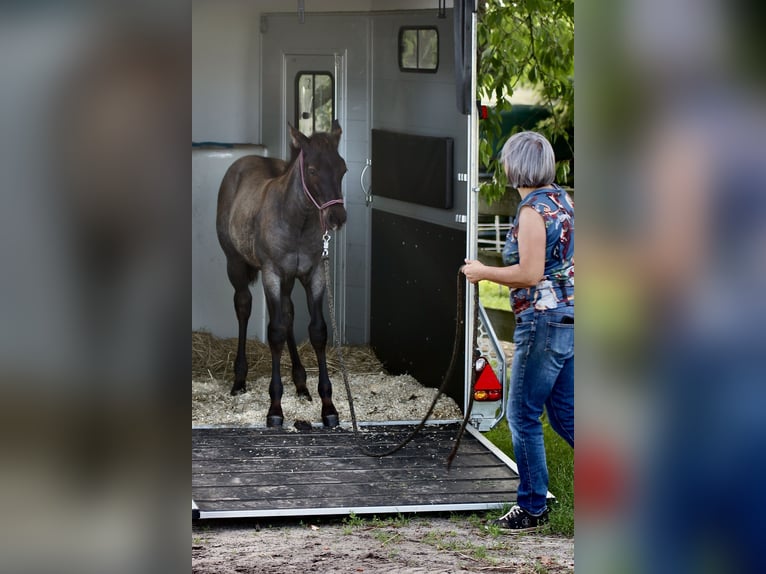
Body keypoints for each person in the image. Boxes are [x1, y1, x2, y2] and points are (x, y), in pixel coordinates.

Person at [463, 131, 574, 532]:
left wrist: (482, 272)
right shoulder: (562, 201)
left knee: (523, 414)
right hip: (570, 318)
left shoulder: (532, 212)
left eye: (509, 160)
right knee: (566, 416)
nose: (505, 167)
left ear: (518, 166)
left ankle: (532, 506)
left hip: (543, 324)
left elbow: (529, 273)